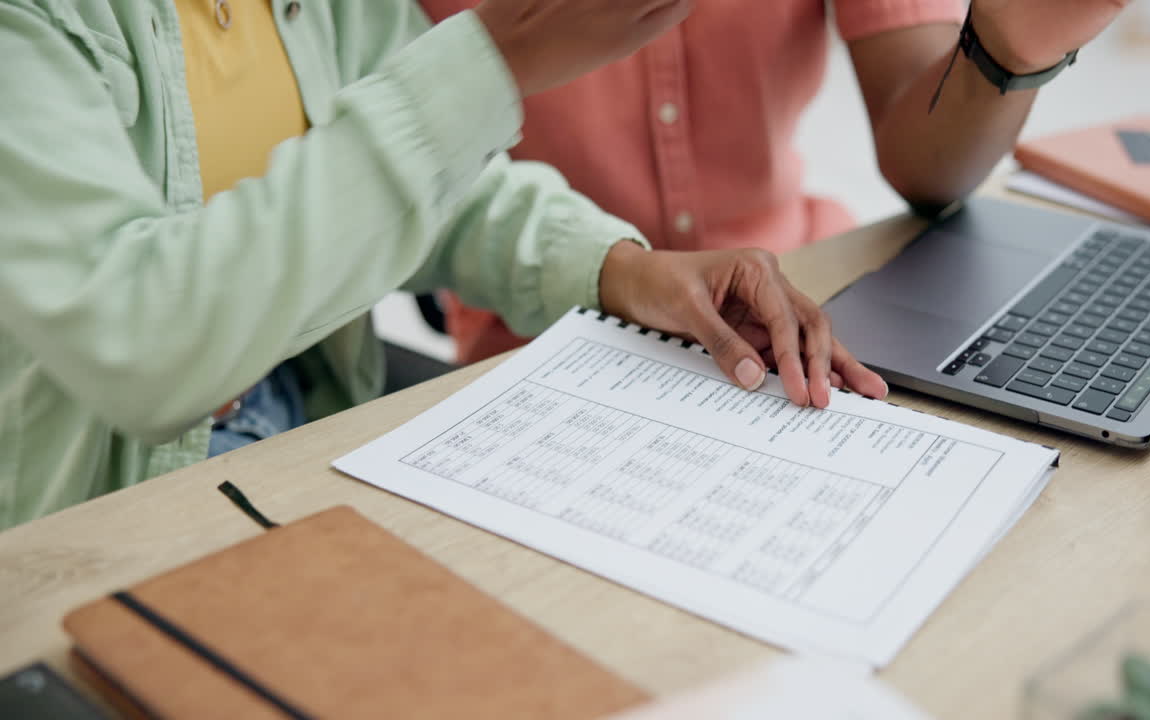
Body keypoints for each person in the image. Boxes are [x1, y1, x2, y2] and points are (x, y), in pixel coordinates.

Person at [0, 0, 885, 530]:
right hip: (84, 515)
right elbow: (140, 344)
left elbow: (431, 192)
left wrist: (624, 270)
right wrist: (494, 59)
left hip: (308, 427)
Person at [418, 0, 1131, 364]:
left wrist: (1005, 50)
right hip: (544, 332)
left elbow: (928, 172)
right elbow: (398, 167)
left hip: (800, 295)